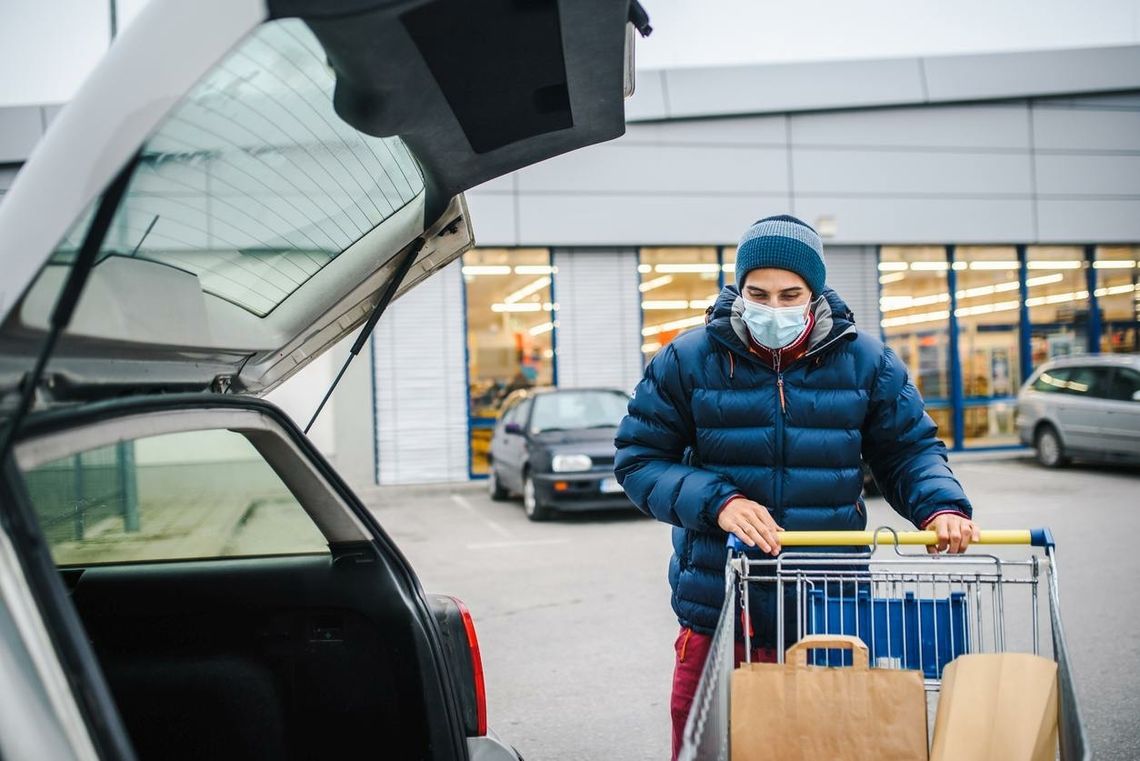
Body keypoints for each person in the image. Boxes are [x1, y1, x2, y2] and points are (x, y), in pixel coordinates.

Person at [613, 214, 978, 760]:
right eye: (757, 293)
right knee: (707, 748)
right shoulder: (687, 361)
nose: (773, 309)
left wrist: (940, 505)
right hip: (719, 606)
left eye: (790, 294)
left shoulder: (866, 363)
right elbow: (639, 460)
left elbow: (909, 450)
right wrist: (720, 502)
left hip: (825, 605)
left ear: (814, 293)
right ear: (737, 288)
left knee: (823, 746)